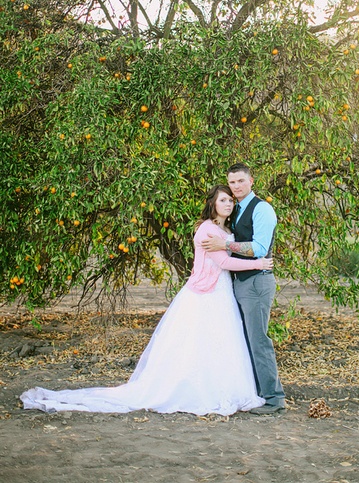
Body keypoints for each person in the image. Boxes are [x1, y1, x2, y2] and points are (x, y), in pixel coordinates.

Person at [20, 185, 273, 416]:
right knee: (198, 342)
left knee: (221, 341)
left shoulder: (225, 230)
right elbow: (224, 262)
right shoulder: (207, 228)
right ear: (212, 203)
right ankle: (198, 390)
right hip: (206, 293)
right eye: (222, 200)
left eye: (230, 200)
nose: (228, 204)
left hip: (221, 291)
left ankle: (222, 386)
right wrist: (259, 262)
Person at [201, 163, 286, 415]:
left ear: (251, 181)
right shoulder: (236, 210)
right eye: (232, 182)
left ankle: (274, 398)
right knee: (246, 341)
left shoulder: (263, 209)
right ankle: (258, 394)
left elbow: (259, 248)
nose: (236, 186)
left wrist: (225, 245)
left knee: (259, 340)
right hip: (240, 284)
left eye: (240, 181)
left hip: (257, 282)